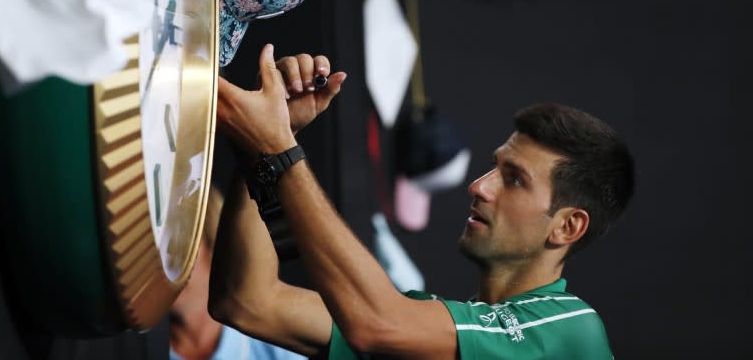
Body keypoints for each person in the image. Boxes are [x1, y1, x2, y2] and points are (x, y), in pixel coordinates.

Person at [209, 44, 635, 359]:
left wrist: (279, 151)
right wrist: (264, 148)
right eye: (494, 168)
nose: (480, 187)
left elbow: (378, 323)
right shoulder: (432, 328)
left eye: (515, 180)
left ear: (567, 227)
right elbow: (248, 302)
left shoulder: (569, 329)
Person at [169, 185, 307, 360]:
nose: (161, 264)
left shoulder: (278, 347)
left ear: (216, 250)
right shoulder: (138, 349)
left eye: (177, 245)